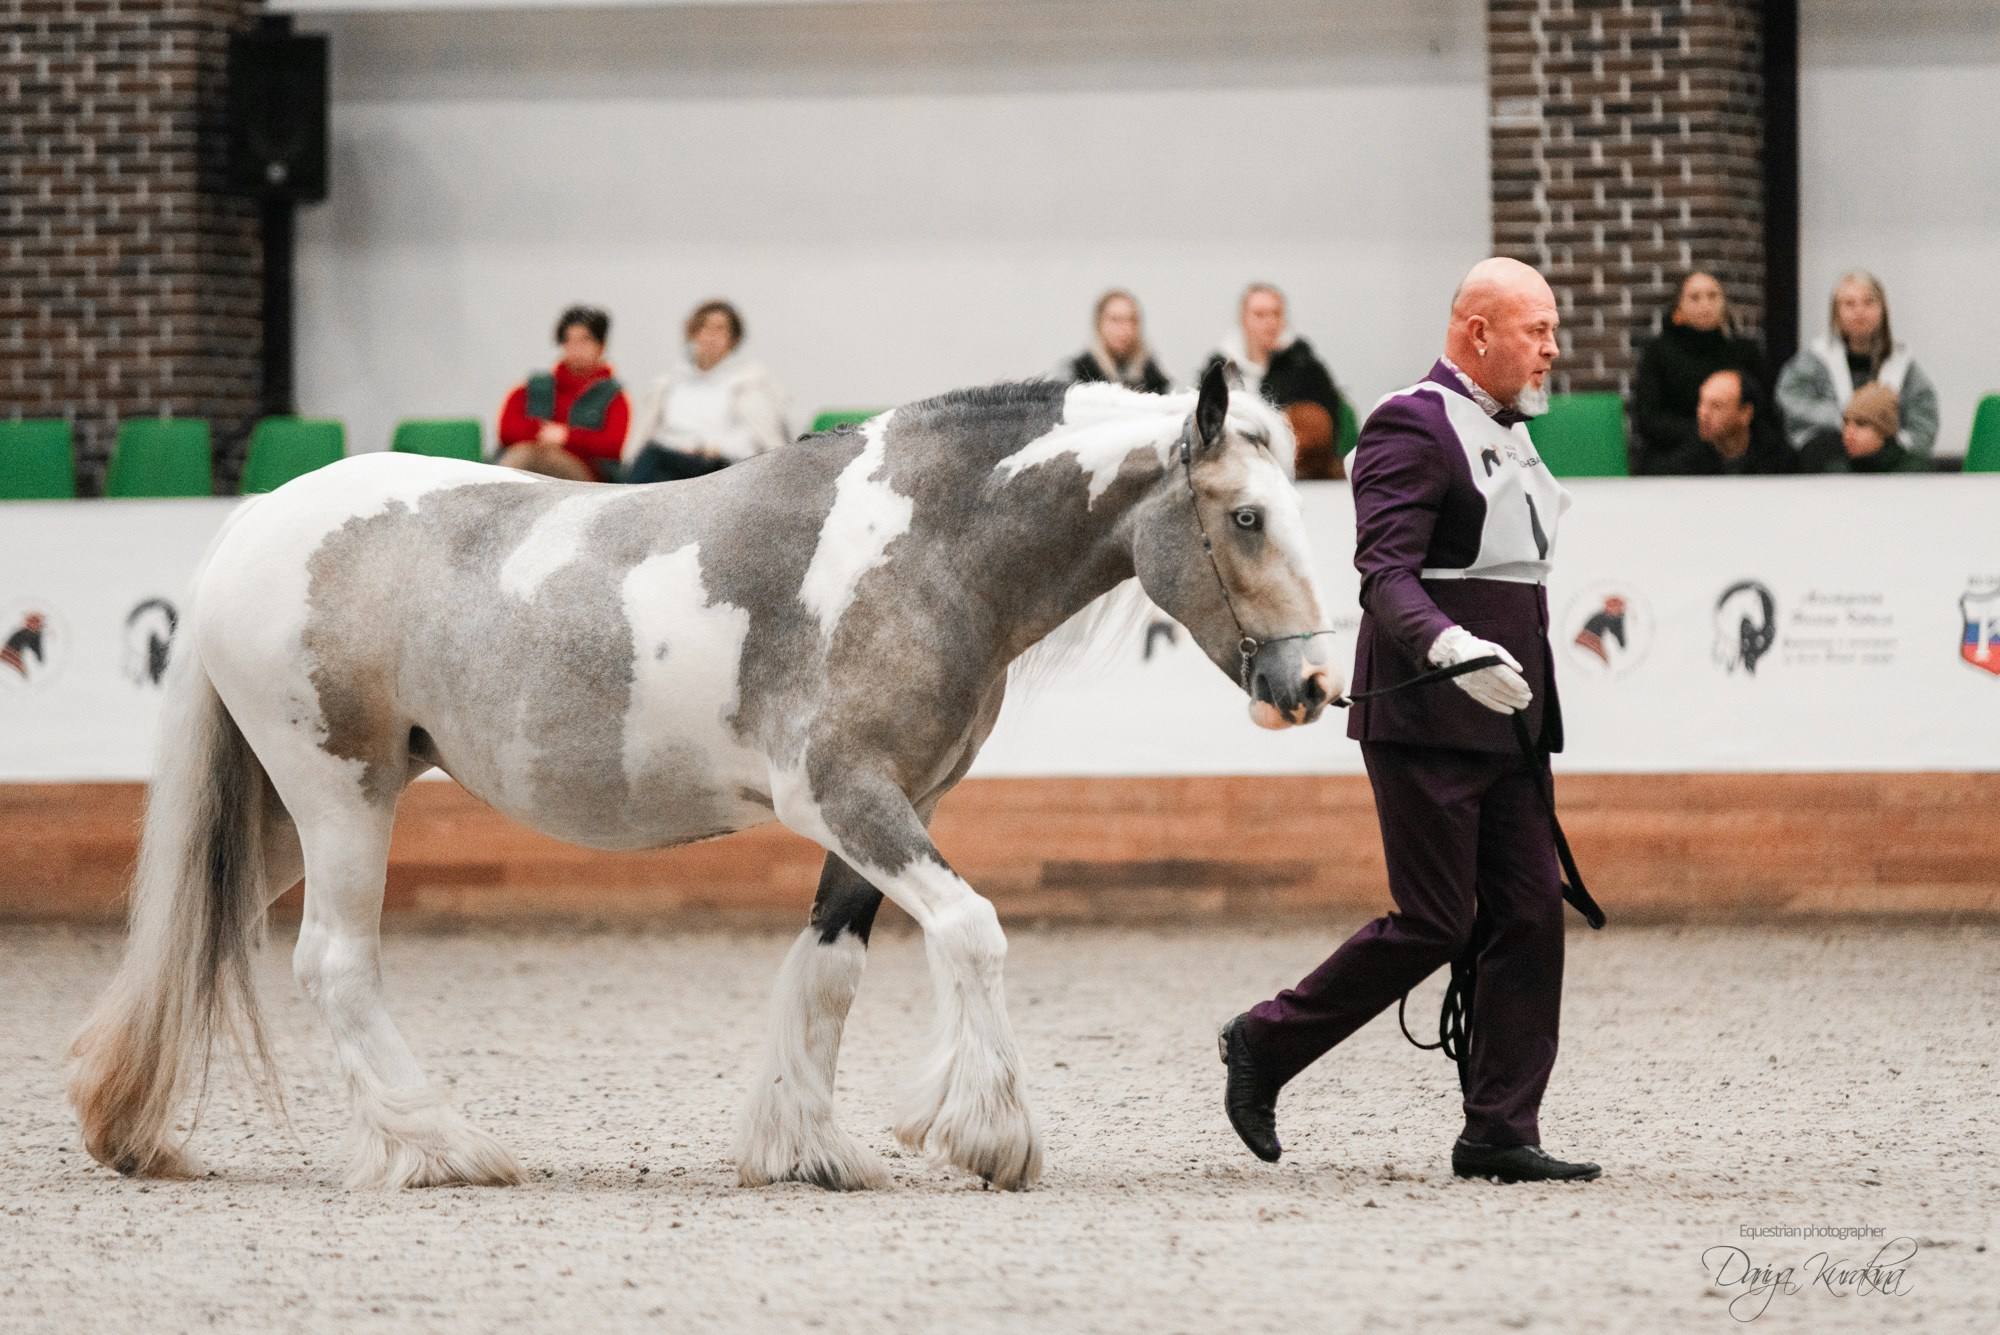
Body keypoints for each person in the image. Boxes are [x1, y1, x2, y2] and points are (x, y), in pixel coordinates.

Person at [1219, 256, 1601, 1185]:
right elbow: (1385, 575)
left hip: (1512, 719)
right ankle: (1264, 1042)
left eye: (1552, 330)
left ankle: (1499, 1127)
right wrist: (1446, 647)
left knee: (1527, 914)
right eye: (1536, 330)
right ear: (1478, 332)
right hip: (1428, 714)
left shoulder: (1512, 432)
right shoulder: (1408, 422)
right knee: (1434, 920)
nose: (1552, 349)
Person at [1777, 270, 1940, 463]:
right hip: (1830, 445)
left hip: (1887, 449)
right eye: (1849, 304)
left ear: (1883, 310)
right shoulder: (1814, 360)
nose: (1859, 311)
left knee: (1916, 466)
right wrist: (1845, 421)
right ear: (1836, 312)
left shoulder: (1902, 363)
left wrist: (1885, 435)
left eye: (1869, 302)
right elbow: (1791, 401)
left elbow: (1924, 422)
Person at [625, 300, 792, 484]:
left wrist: (713, 448)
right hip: (671, 459)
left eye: (720, 329)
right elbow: (648, 433)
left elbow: (758, 440)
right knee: (652, 456)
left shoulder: (748, 383)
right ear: (693, 333)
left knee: (654, 459)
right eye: (704, 327)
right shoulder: (671, 384)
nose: (711, 335)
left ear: (733, 339)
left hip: (721, 464)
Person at [1630, 271, 1774, 475]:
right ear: (1680, 306)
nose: (1705, 304)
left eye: (1712, 296)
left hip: (1738, 450)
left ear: (1724, 303)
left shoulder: (1745, 351)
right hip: (1675, 450)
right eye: (1695, 297)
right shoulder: (1660, 352)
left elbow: (1763, 409)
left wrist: (1732, 434)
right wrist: (1703, 432)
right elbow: (1648, 418)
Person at [1199, 283, 1346, 481]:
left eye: (1276, 314)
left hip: (1296, 475)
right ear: (1243, 320)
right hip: (1231, 472)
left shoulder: (1307, 368)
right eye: (1259, 315)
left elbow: (1325, 430)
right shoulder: (1219, 370)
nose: (1269, 322)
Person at [497, 306, 631, 481]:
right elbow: (508, 429)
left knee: (528, 457)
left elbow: (612, 444)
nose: (576, 349)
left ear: (601, 345)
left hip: (583, 474)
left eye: (585, 340)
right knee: (525, 455)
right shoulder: (533, 388)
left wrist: (567, 437)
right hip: (530, 455)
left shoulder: (613, 397)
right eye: (570, 340)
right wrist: (542, 432)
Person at [1675, 369, 1795, 475]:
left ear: (1746, 413)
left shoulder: (1779, 460)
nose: (1703, 414)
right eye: (1702, 403)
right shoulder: (1688, 458)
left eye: (1716, 406)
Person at [1050, 290, 1172, 394]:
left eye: (1132, 320)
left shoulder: (1155, 380)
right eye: (1115, 320)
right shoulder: (1075, 377)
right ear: (1099, 324)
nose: (1125, 328)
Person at [1799, 381, 1925, 474]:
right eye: (1846, 423)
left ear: (1884, 430)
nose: (1848, 432)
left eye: (1861, 424)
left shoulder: (1915, 471)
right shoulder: (1837, 472)